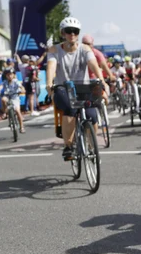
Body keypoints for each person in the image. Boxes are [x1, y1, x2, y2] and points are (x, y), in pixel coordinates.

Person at [46, 17, 109, 161]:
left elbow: (93, 64)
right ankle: (68, 146)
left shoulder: (85, 48)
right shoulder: (55, 49)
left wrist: (102, 80)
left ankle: (91, 146)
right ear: (63, 33)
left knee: (92, 115)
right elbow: (51, 67)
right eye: (69, 31)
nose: (72, 34)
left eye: (75, 31)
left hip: (83, 87)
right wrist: (49, 84)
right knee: (70, 109)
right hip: (63, 88)